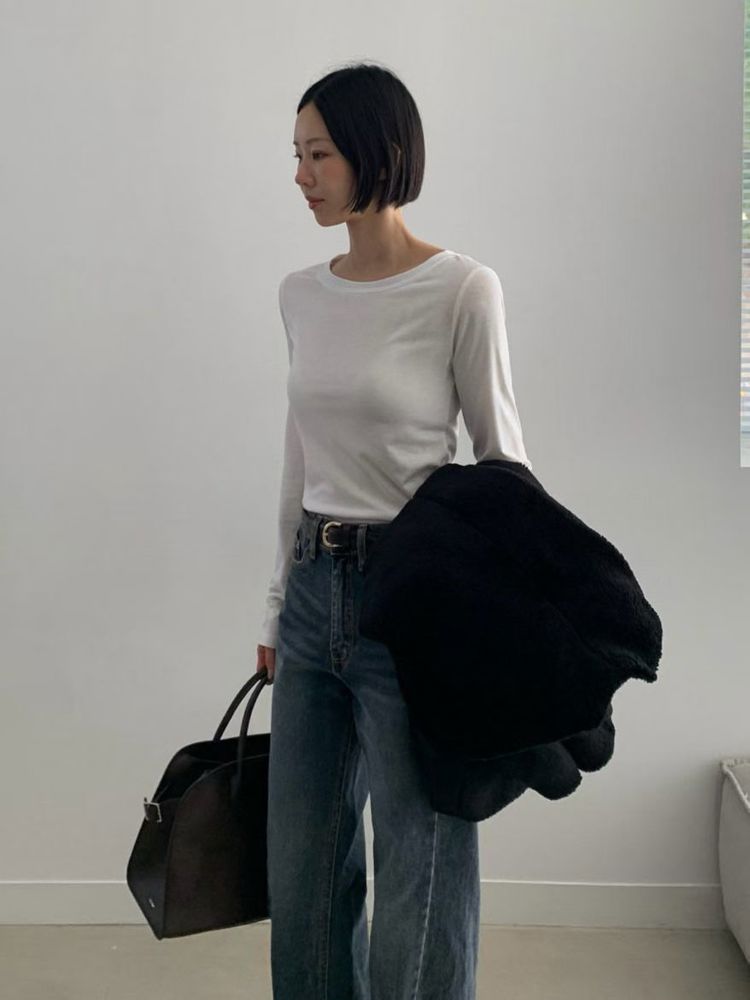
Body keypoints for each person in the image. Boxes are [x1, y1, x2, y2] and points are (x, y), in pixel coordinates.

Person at [255, 60, 532, 1000]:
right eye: (297, 154)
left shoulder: (462, 289)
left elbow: (504, 467)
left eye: (319, 154)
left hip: (416, 608)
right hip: (312, 593)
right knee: (302, 873)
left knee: (422, 866)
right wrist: (274, 606)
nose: (301, 175)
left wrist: (499, 629)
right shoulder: (301, 294)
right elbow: (300, 455)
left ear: (378, 151)